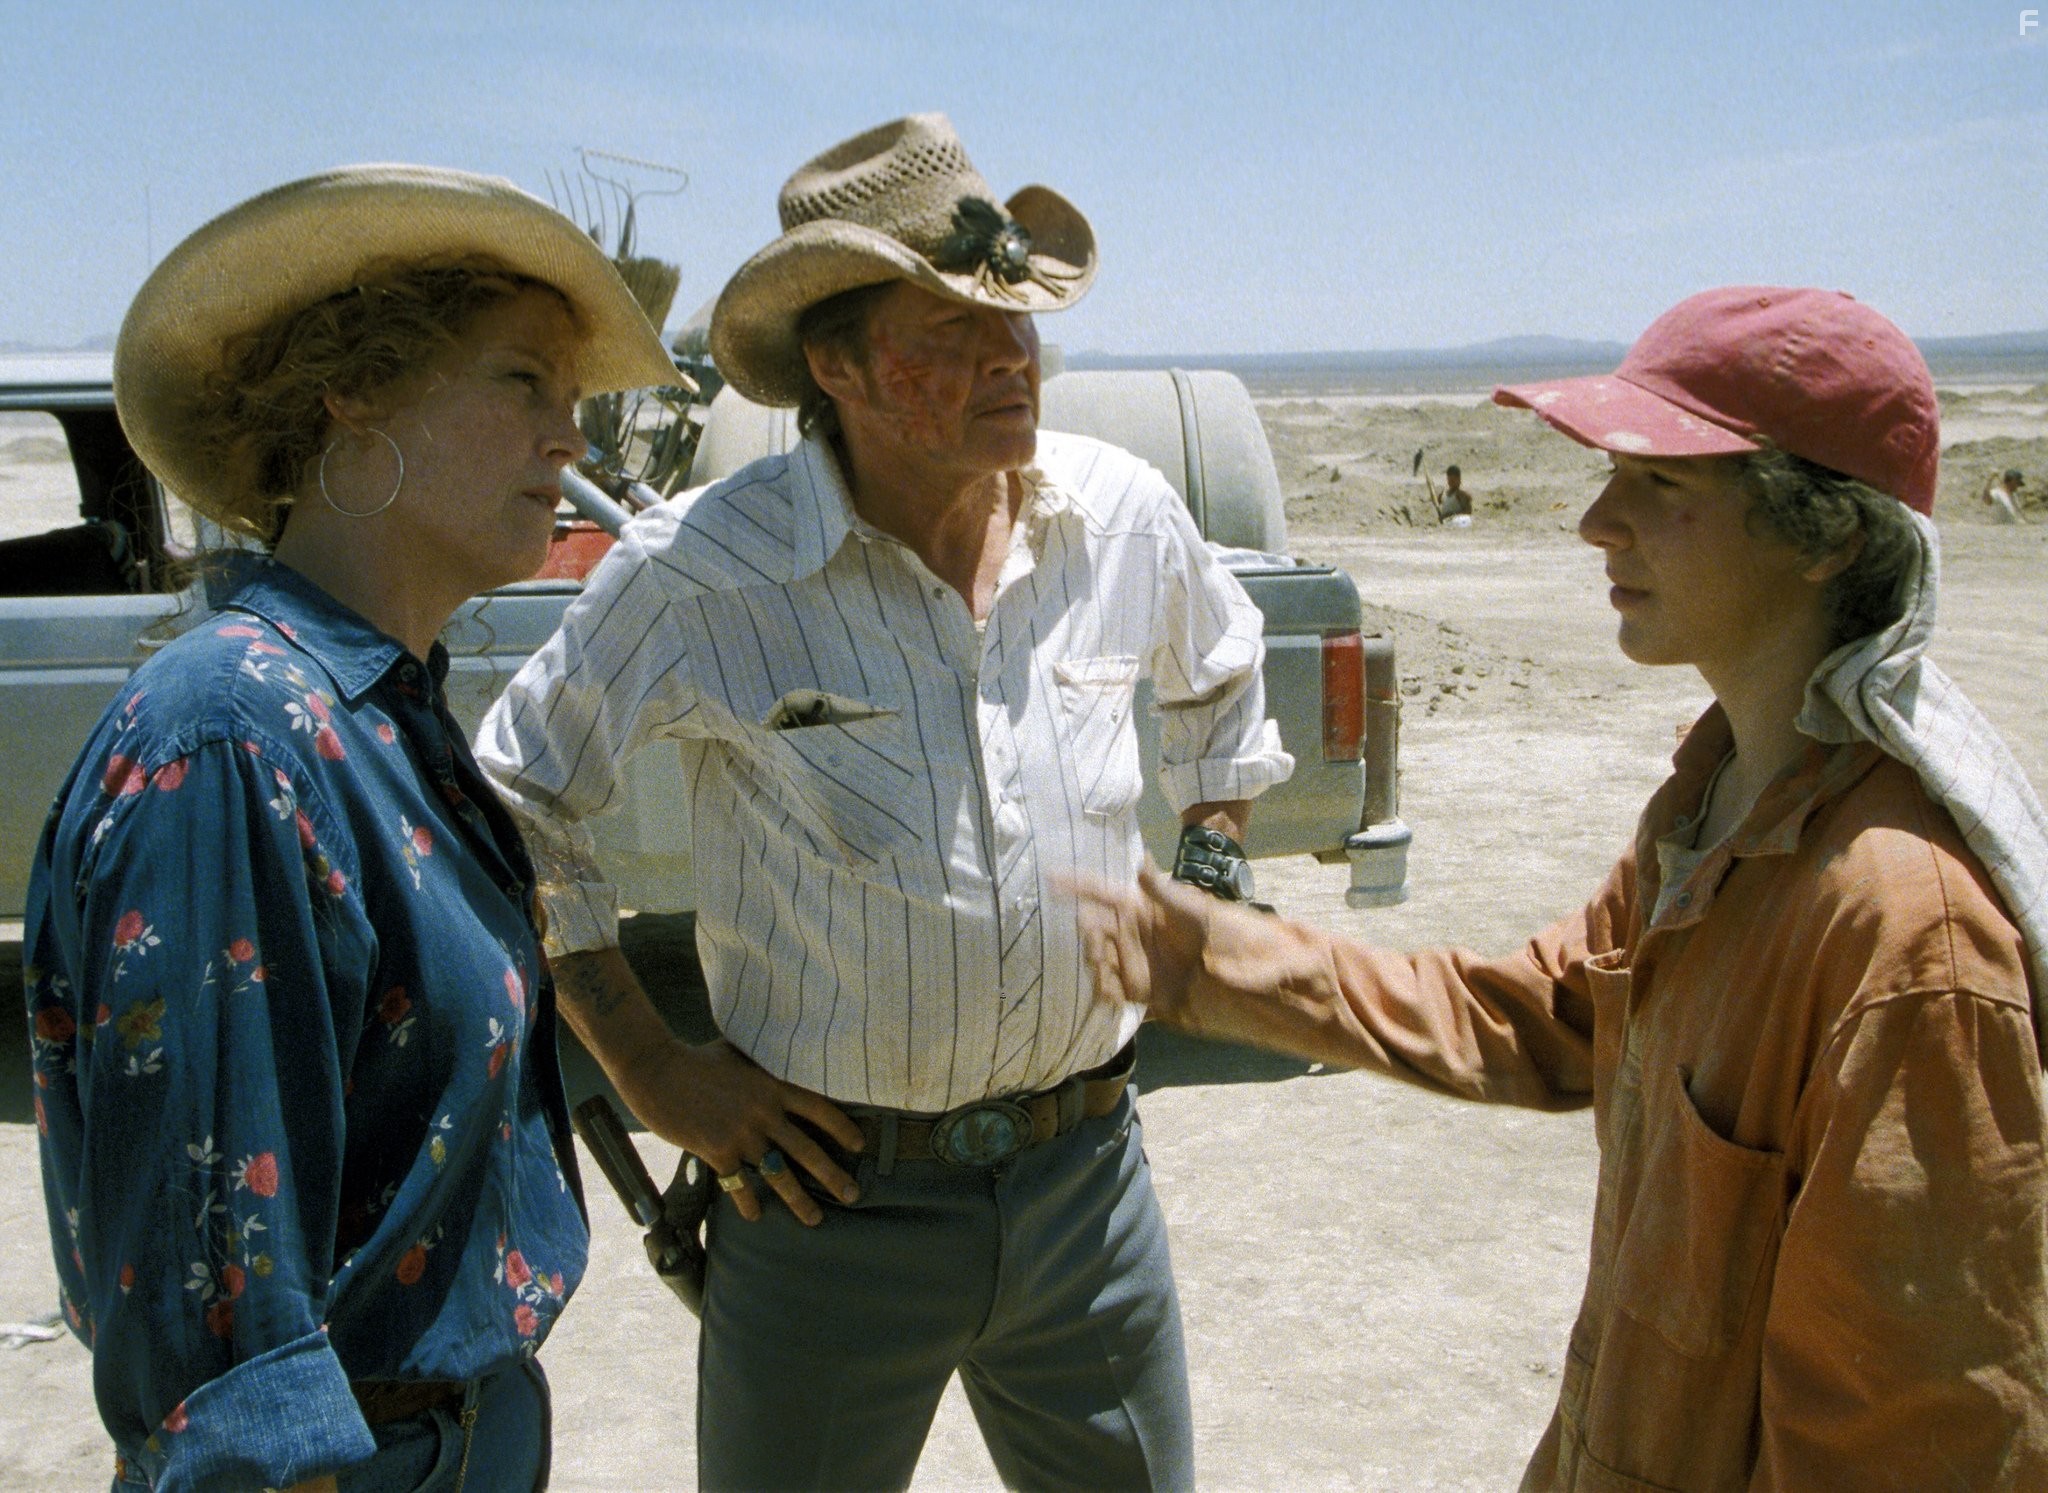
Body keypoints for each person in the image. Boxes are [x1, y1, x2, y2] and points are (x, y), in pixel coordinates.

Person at [1073, 286, 2048, 1489]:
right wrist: (1219, 961)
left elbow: (1913, 1439)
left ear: (1823, 535)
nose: (1596, 521)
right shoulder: (1715, 801)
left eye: (1662, 487)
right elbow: (1543, 1012)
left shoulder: (1905, 938)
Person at [475, 113, 1293, 1490]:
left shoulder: (1121, 518)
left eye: (1018, 321)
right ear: (837, 365)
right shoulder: (707, 574)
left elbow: (1223, 674)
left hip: (1085, 1188)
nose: (1011, 357)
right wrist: (655, 1068)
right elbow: (518, 794)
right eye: (955, 329)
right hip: (824, 1212)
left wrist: (1209, 861)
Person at [24, 165, 678, 1492]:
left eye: (574, 400)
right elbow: (223, 1341)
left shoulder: (375, 712)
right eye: (523, 383)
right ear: (354, 392)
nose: (571, 439)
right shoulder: (235, 734)